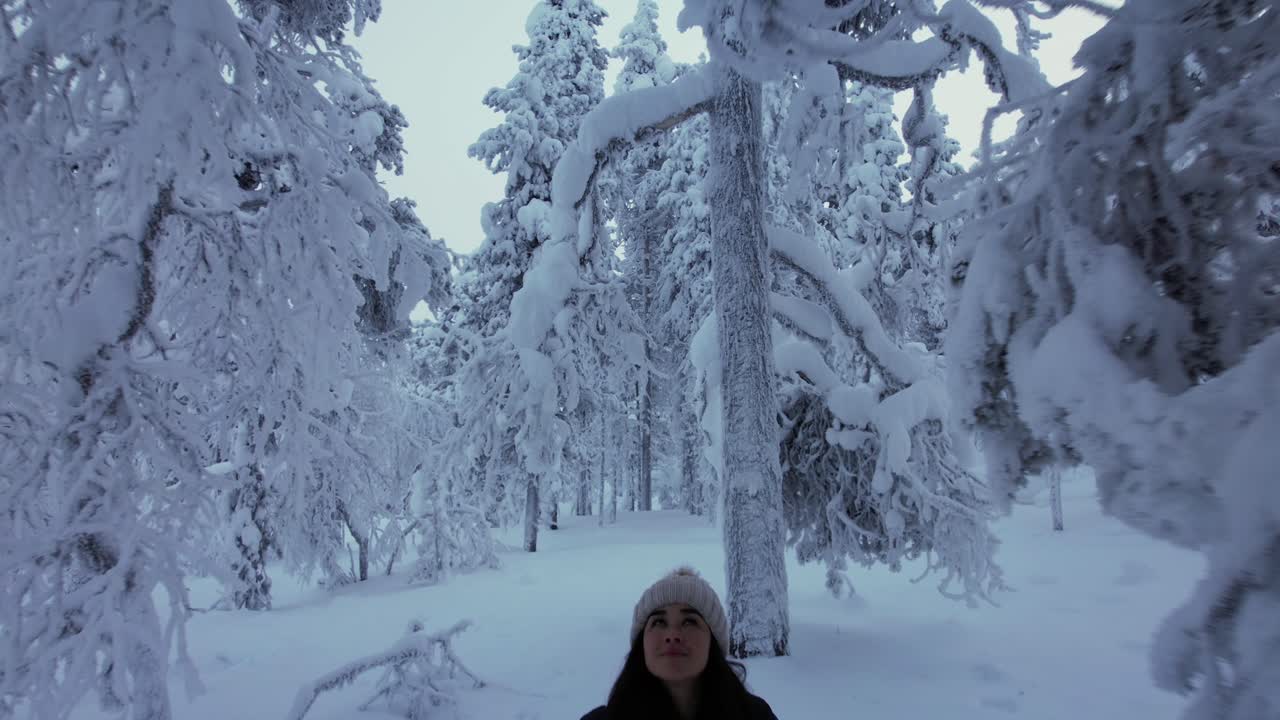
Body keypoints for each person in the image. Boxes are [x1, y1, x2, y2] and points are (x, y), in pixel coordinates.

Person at [580, 567, 780, 720]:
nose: (672, 635)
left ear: (713, 641)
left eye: (689, 621)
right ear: (642, 642)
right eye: (659, 622)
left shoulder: (755, 716)